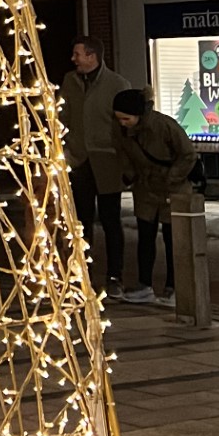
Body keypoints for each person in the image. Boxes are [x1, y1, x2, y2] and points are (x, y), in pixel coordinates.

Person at [112, 88, 196, 305]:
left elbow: (187, 154)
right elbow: (123, 155)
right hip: (145, 188)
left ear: (138, 114)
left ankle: (174, 287)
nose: (122, 123)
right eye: (119, 118)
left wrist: (171, 178)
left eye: (126, 118)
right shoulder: (122, 131)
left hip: (173, 188)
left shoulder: (164, 126)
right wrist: (129, 175)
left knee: (173, 238)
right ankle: (144, 284)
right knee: (146, 237)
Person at [61, 36, 130, 293]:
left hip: (106, 160)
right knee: (81, 220)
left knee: (111, 219)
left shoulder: (116, 84)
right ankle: (81, 272)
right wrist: (66, 145)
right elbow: (63, 114)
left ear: (92, 56)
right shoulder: (71, 81)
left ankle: (115, 275)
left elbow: (123, 125)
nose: (74, 59)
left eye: (78, 54)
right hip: (79, 159)